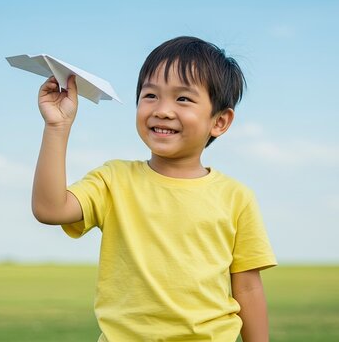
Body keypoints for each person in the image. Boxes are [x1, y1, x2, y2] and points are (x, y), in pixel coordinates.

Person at [31, 36, 277, 341]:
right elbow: (50, 209)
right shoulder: (115, 180)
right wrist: (57, 127)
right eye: (150, 95)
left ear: (220, 121)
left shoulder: (236, 197)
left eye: (183, 99)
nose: (162, 110)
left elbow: (248, 287)